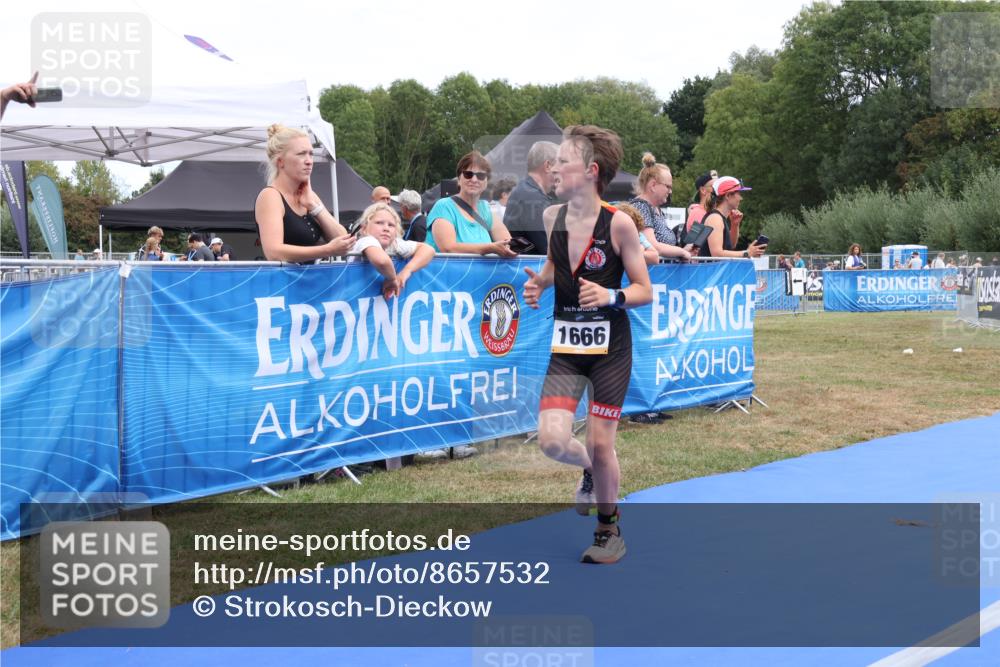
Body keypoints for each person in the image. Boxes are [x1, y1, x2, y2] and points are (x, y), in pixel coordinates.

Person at [523, 125, 653, 564]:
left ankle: (608, 531)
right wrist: (541, 284)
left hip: (610, 352)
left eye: (563, 161)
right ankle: (590, 470)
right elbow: (554, 264)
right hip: (567, 349)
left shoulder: (618, 224)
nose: (553, 168)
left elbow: (643, 289)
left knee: (601, 443)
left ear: (591, 171)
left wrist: (611, 295)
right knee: (552, 442)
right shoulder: (551, 218)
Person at [254, 124, 353, 263]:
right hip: (286, 283)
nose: (309, 161)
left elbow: (342, 239)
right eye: (301, 154)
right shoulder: (270, 196)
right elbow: (274, 252)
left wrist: (314, 207)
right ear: (280, 162)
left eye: (311, 154)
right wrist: (327, 250)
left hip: (310, 282)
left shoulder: (309, 196)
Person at [426, 151, 516, 257]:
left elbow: (507, 242)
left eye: (481, 176)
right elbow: (448, 248)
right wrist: (489, 248)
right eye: (468, 174)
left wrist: (513, 247)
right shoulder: (444, 206)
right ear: (459, 180)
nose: (474, 179)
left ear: (486, 182)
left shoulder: (486, 209)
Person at [350, 202, 435, 300]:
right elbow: (382, 261)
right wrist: (393, 279)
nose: (386, 228)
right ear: (364, 228)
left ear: (396, 231)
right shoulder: (366, 240)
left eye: (391, 225)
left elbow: (429, 250)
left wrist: (406, 272)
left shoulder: (394, 243)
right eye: (379, 223)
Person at [628, 153, 692, 262]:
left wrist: (683, 251)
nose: (670, 191)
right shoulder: (640, 207)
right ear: (653, 185)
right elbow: (652, 246)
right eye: (668, 186)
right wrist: (682, 252)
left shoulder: (655, 209)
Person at [504, 140, 558, 256]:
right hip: (529, 270)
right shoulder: (533, 198)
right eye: (559, 165)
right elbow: (550, 249)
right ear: (548, 166)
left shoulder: (525, 191)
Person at [699, 177, 767, 259]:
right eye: (739, 194)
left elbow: (731, 245)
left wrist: (735, 225)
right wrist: (747, 253)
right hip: (710, 271)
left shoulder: (719, 217)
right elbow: (716, 253)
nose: (741, 198)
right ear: (728, 195)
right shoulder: (715, 219)